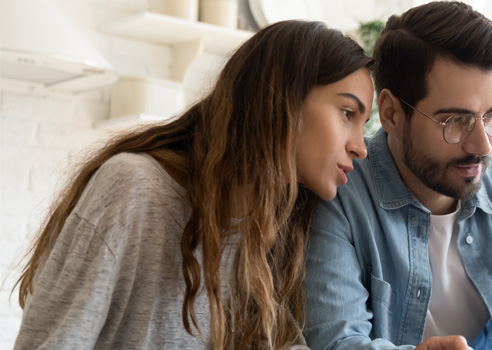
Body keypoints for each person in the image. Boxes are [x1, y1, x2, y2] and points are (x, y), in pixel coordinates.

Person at [13, 20, 374, 350]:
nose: (360, 146)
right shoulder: (132, 188)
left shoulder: (267, 225)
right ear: (284, 100)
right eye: (347, 114)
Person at [302, 2, 492, 350]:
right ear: (391, 114)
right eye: (455, 121)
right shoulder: (338, 193)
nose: (483, 145)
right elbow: (336, 343)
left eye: (491, 116)